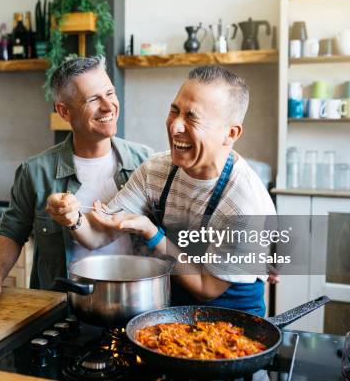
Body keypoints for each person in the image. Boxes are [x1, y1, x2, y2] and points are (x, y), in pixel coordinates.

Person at [46, 65, 276, 316]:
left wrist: (152, 233)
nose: (175, 126)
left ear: (230, 133)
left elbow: (206, 288)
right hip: (173, 314)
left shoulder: (245, 204)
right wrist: (73, 219)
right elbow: (99, 235)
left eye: (192, 117)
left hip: (231, 323)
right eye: (174, 110)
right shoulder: (156, 170)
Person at [0, 56, 152, 307]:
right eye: (93, 99)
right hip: (61, 310)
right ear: (64, 111)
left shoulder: (146, 162)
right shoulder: (35, 171)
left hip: (133, 305)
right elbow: (11, 231)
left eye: (110, 93)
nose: (108, 106)